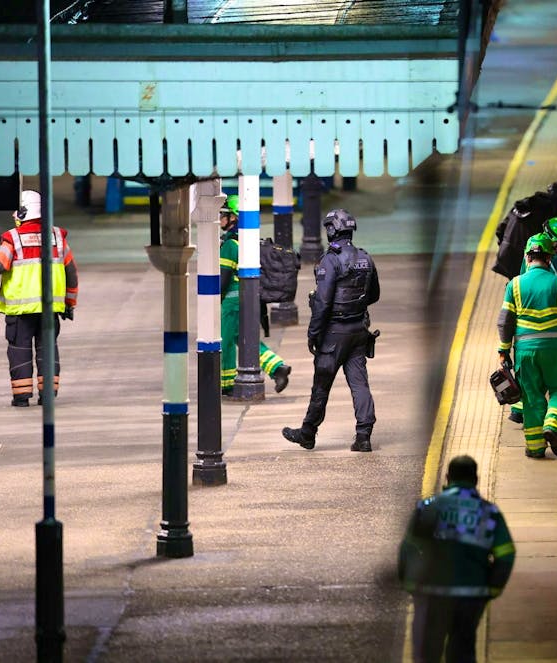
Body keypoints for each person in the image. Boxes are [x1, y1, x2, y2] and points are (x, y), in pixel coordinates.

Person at [398, 455, 515, 663]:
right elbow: (506, 554)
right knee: (462, 651)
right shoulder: (489, 513)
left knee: (427, 652)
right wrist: (492, 589)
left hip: (431, 592)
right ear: (476, 479)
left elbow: (409, 548)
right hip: (471, 594)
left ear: (447, 477)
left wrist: (410, 584)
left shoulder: (427, 508)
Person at [282, 208, 380, 452]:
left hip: (334, 335)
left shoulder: (330, 260)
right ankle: (363, 435)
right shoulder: (365, 258)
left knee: (321, 386)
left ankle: (308, 433)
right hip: (359, 331)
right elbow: (374, 294)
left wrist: (313, 334)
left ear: (331, 230)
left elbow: (323, 303)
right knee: (359, 384)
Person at [0, 190, 78, 406]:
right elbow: (71, 272)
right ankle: (48, 396)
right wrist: (69, 303)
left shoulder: (12, 238)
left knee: (19, 351)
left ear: (23, 212)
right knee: (47, 350)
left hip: (21, 312)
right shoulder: (57, 238)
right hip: (50, 309)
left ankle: (22, 397)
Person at [498, 233, 557, 458]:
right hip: (555, 349)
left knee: (532, 397)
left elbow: (505, 322)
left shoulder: (515, 285)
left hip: (524, 352)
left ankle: (536, 448)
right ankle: (554, 426)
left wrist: (503, 351)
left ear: (527, 258)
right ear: (549, 259)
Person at [218, 194, 292, 394]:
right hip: (246, 300)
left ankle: (226, 384)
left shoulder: (229, 245)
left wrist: (213, 299)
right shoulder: (247, 242)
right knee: (245, 338)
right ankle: (277, 368)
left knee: (225, 342)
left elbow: (223, 279)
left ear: (234, 217)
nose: (220, 218)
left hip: (231, 303)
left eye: (223, 214)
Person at [492, 180, 557, 279]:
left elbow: (500, 230)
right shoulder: (551, 211)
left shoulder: (525, 204)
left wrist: (508, 247)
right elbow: (556, 242)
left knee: (518, 289)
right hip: (525, 260)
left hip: (506, 255)